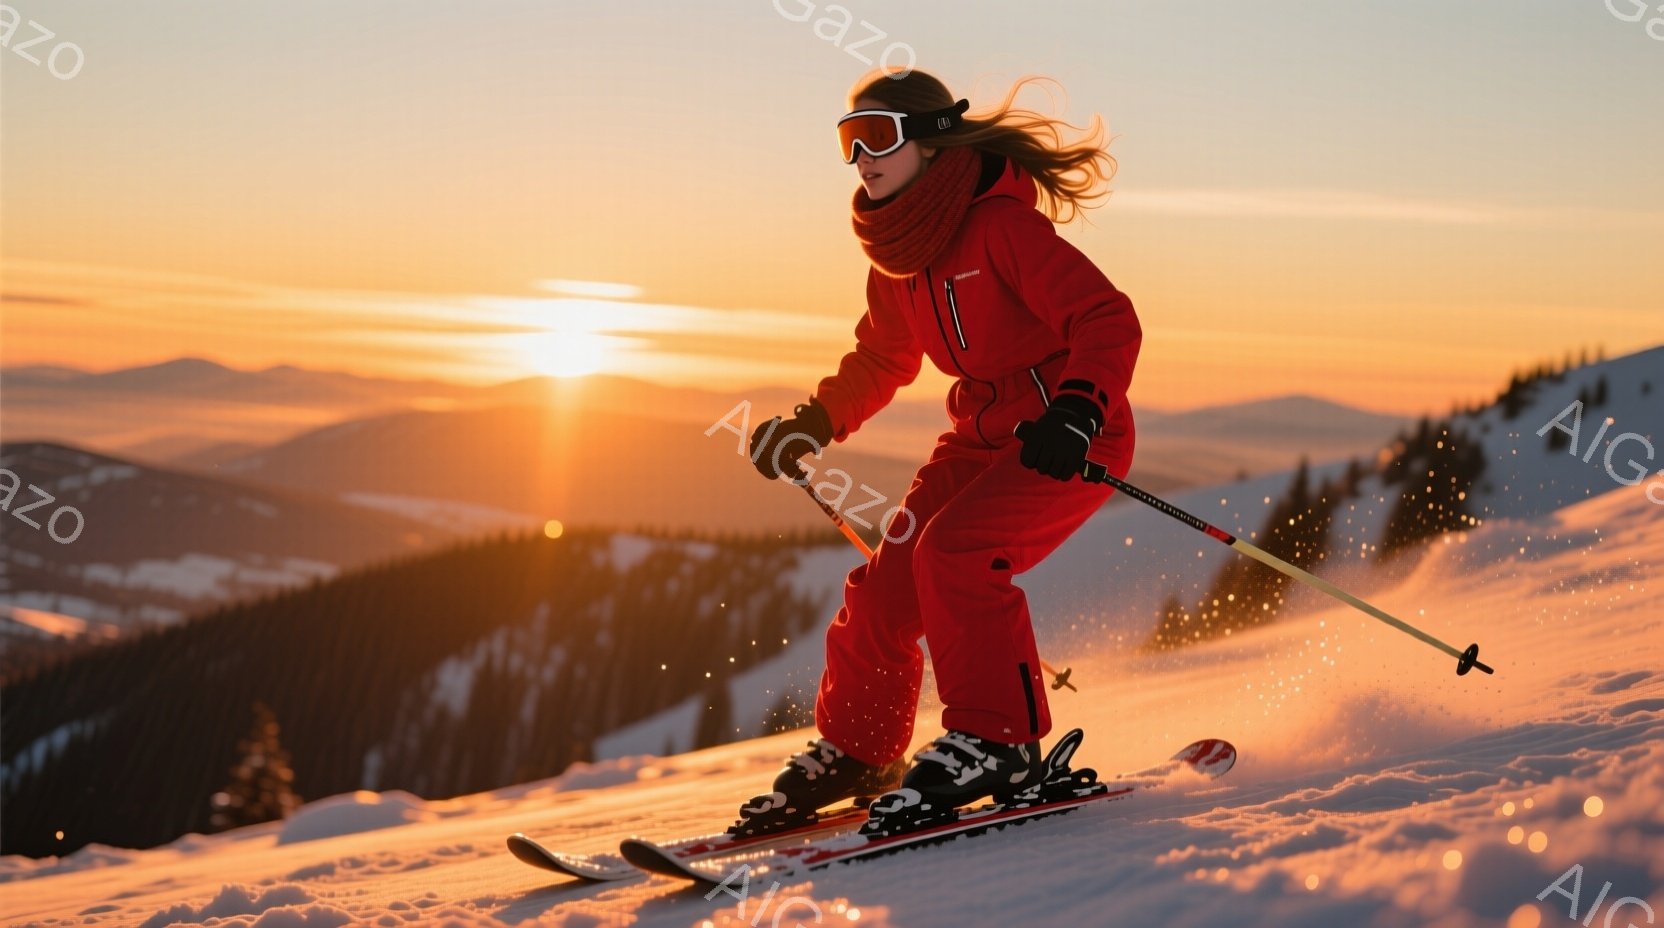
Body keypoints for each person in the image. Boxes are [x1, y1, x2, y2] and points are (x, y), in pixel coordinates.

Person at [743, 68, 1141, 828]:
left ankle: (1001, 743)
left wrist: (1079, 409)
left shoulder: (1000, 228)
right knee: (886, 586)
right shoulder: (901, 254)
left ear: (930, 141)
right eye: (847, 140)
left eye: (879, 135)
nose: (862, 156)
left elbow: (1107, 318)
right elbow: (882, 358)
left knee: (955, 552)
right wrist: (815, 421)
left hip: (1068, 435)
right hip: (978, 439)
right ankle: (862, 749)